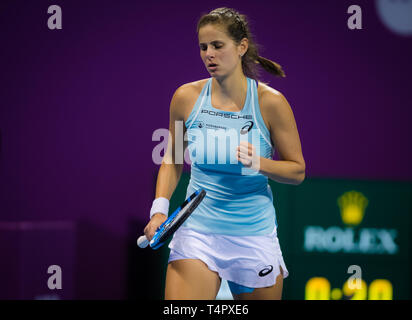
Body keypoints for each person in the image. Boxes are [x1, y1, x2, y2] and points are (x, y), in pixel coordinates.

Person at [143, 7, 305, 300]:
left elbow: (297, 172)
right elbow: (172, 159)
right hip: (197, 233)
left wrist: (260, 163)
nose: (209, 54)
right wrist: (159, 211)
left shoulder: (271, 103)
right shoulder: (185, 97)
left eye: (218, 46)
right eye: (203, 47)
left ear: (241, 46)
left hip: (253, 234)